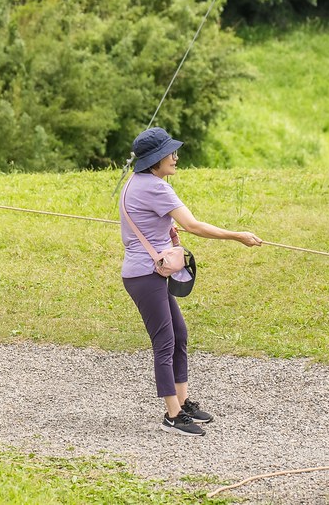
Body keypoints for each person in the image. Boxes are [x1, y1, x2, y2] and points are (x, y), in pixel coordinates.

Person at [120, 128, 262, 436]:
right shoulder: (157, 189)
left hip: (146, 272)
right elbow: (193, 225)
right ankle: (172, 415)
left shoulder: (136, 182)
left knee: (179, 334)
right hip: (147, 275)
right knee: (165, 342)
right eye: (170, 153)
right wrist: (238, 235)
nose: (175, 157)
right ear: (155, 160)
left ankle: (183, 403)